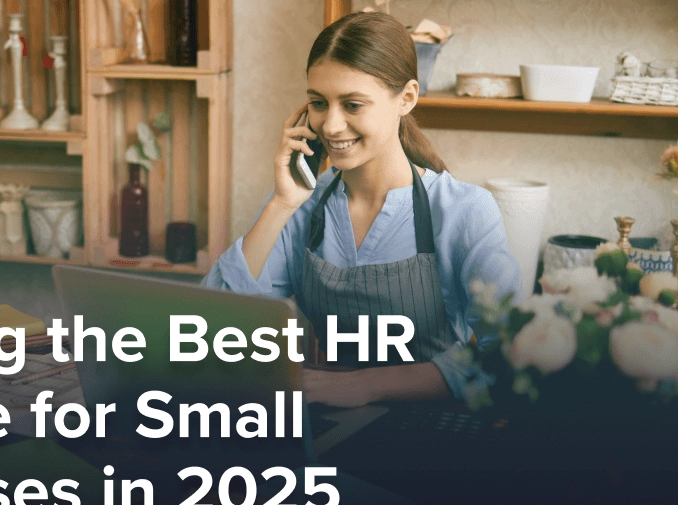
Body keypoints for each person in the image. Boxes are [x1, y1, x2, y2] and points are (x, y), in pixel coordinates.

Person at [203, 11, 521, 408]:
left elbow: (508, 354)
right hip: (325, 426)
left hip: (428, 429)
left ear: (406, 98)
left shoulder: (464, 210)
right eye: (318, 103)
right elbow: (213, 330)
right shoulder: (303, 205)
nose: (331, 126)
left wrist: (365, 385)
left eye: (352, 105)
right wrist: (281, 204)